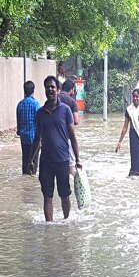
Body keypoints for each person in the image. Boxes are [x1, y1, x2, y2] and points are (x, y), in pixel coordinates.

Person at [30, 75, 81, 221]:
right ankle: (49, 227)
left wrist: (77, 159)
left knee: (64, 194)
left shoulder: (65, 111)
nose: (50, 89)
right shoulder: (40, 113)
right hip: (46, 161)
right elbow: (37, 139)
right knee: (47, 196)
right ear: (45, 90)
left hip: (63, 160)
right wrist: (31, 160)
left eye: (53, 87)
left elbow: (72, 136)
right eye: (48, 87)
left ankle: (66, 221)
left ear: (58, 90)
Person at [16, 80, 41, 175]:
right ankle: (31, 183)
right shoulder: (36, 105)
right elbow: (40, 122)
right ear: (33, 91)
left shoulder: (20, 105)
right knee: (33, 162)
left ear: (24, 90)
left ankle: (25, 179)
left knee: (25, 161)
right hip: (34, 139)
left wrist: (20, 131)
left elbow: (18, 122)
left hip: (24, 139)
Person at [59, 79, 80, 174]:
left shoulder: (54, 98)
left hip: (53, 139)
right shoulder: (71, 102)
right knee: (71, 165)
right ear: (71, 90)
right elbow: (76, 121)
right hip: (67, 137)